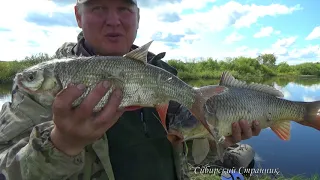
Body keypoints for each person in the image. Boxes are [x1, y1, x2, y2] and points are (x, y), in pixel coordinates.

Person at [2, 0, 312, 179]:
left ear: (138, 16)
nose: (114, 21)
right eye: (98, 6)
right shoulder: (42, 87)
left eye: (124, 7)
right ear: (78, 15)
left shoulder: (166, 78)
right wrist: (61, 143)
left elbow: (193, 154)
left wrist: (219, 136)